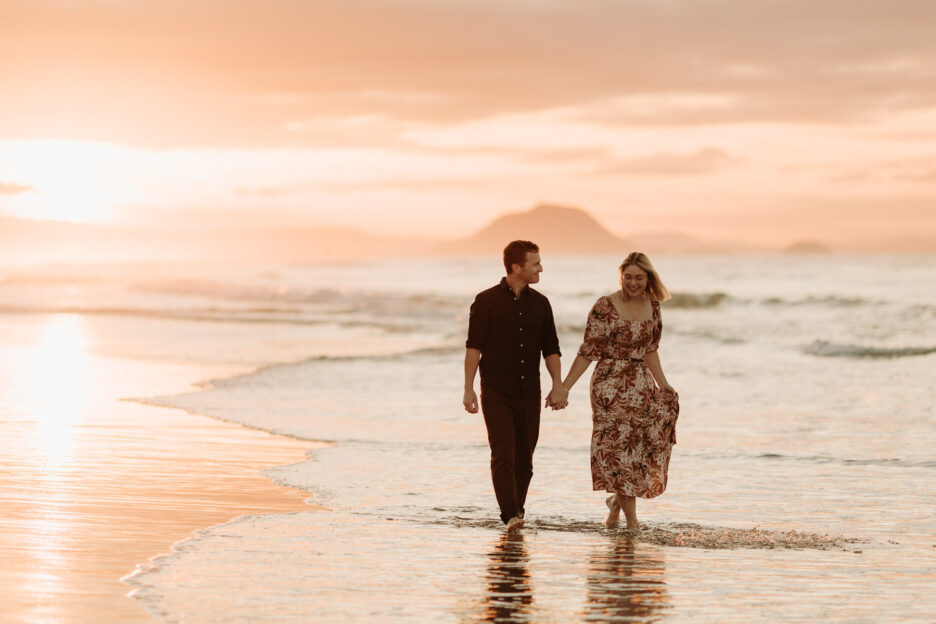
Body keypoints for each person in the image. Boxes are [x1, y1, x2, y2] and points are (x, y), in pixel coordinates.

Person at [561, 252, 679, 530]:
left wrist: (663, 384)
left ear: (649, 278)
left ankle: (616, 505)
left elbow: (650, 350)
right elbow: (588, 351)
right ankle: (633, 523)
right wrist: (564, 387)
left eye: (639, 277)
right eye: (628, 277)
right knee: (619, 450)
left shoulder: (654, 305)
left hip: (639, 384)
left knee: (637, 450)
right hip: (609, 386)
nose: (633, 282)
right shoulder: (605, 306)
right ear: (621, 276)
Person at [464, 240, 568, 532]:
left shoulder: (541, 304)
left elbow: (551, 349)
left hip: (529, 393)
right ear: (515, 267)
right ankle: (509, 514)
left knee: (526, 459)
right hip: (496, 391)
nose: (540, 268)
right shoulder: (485, 301)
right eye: (535, 263)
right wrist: (468, 388)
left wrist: (557, 385)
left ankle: (517, 511)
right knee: (503, 455)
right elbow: (474, 348)